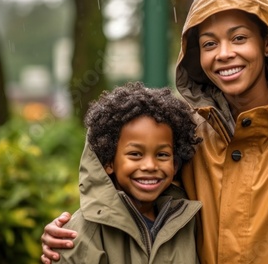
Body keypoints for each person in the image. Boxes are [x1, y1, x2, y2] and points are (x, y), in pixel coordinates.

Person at [41, 0, 268, 263]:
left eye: (239, 38)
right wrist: (74, 235)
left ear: (267, 43)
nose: (224, 54)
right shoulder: (183, 132)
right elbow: (130, 191)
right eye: (210, 43)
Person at [52, 82, 202, 263]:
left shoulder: (188, 223)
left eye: (162, 155)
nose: (150, 166)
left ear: (175, 165)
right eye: (135, 154)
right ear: (109, 162)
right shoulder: (81, 232)